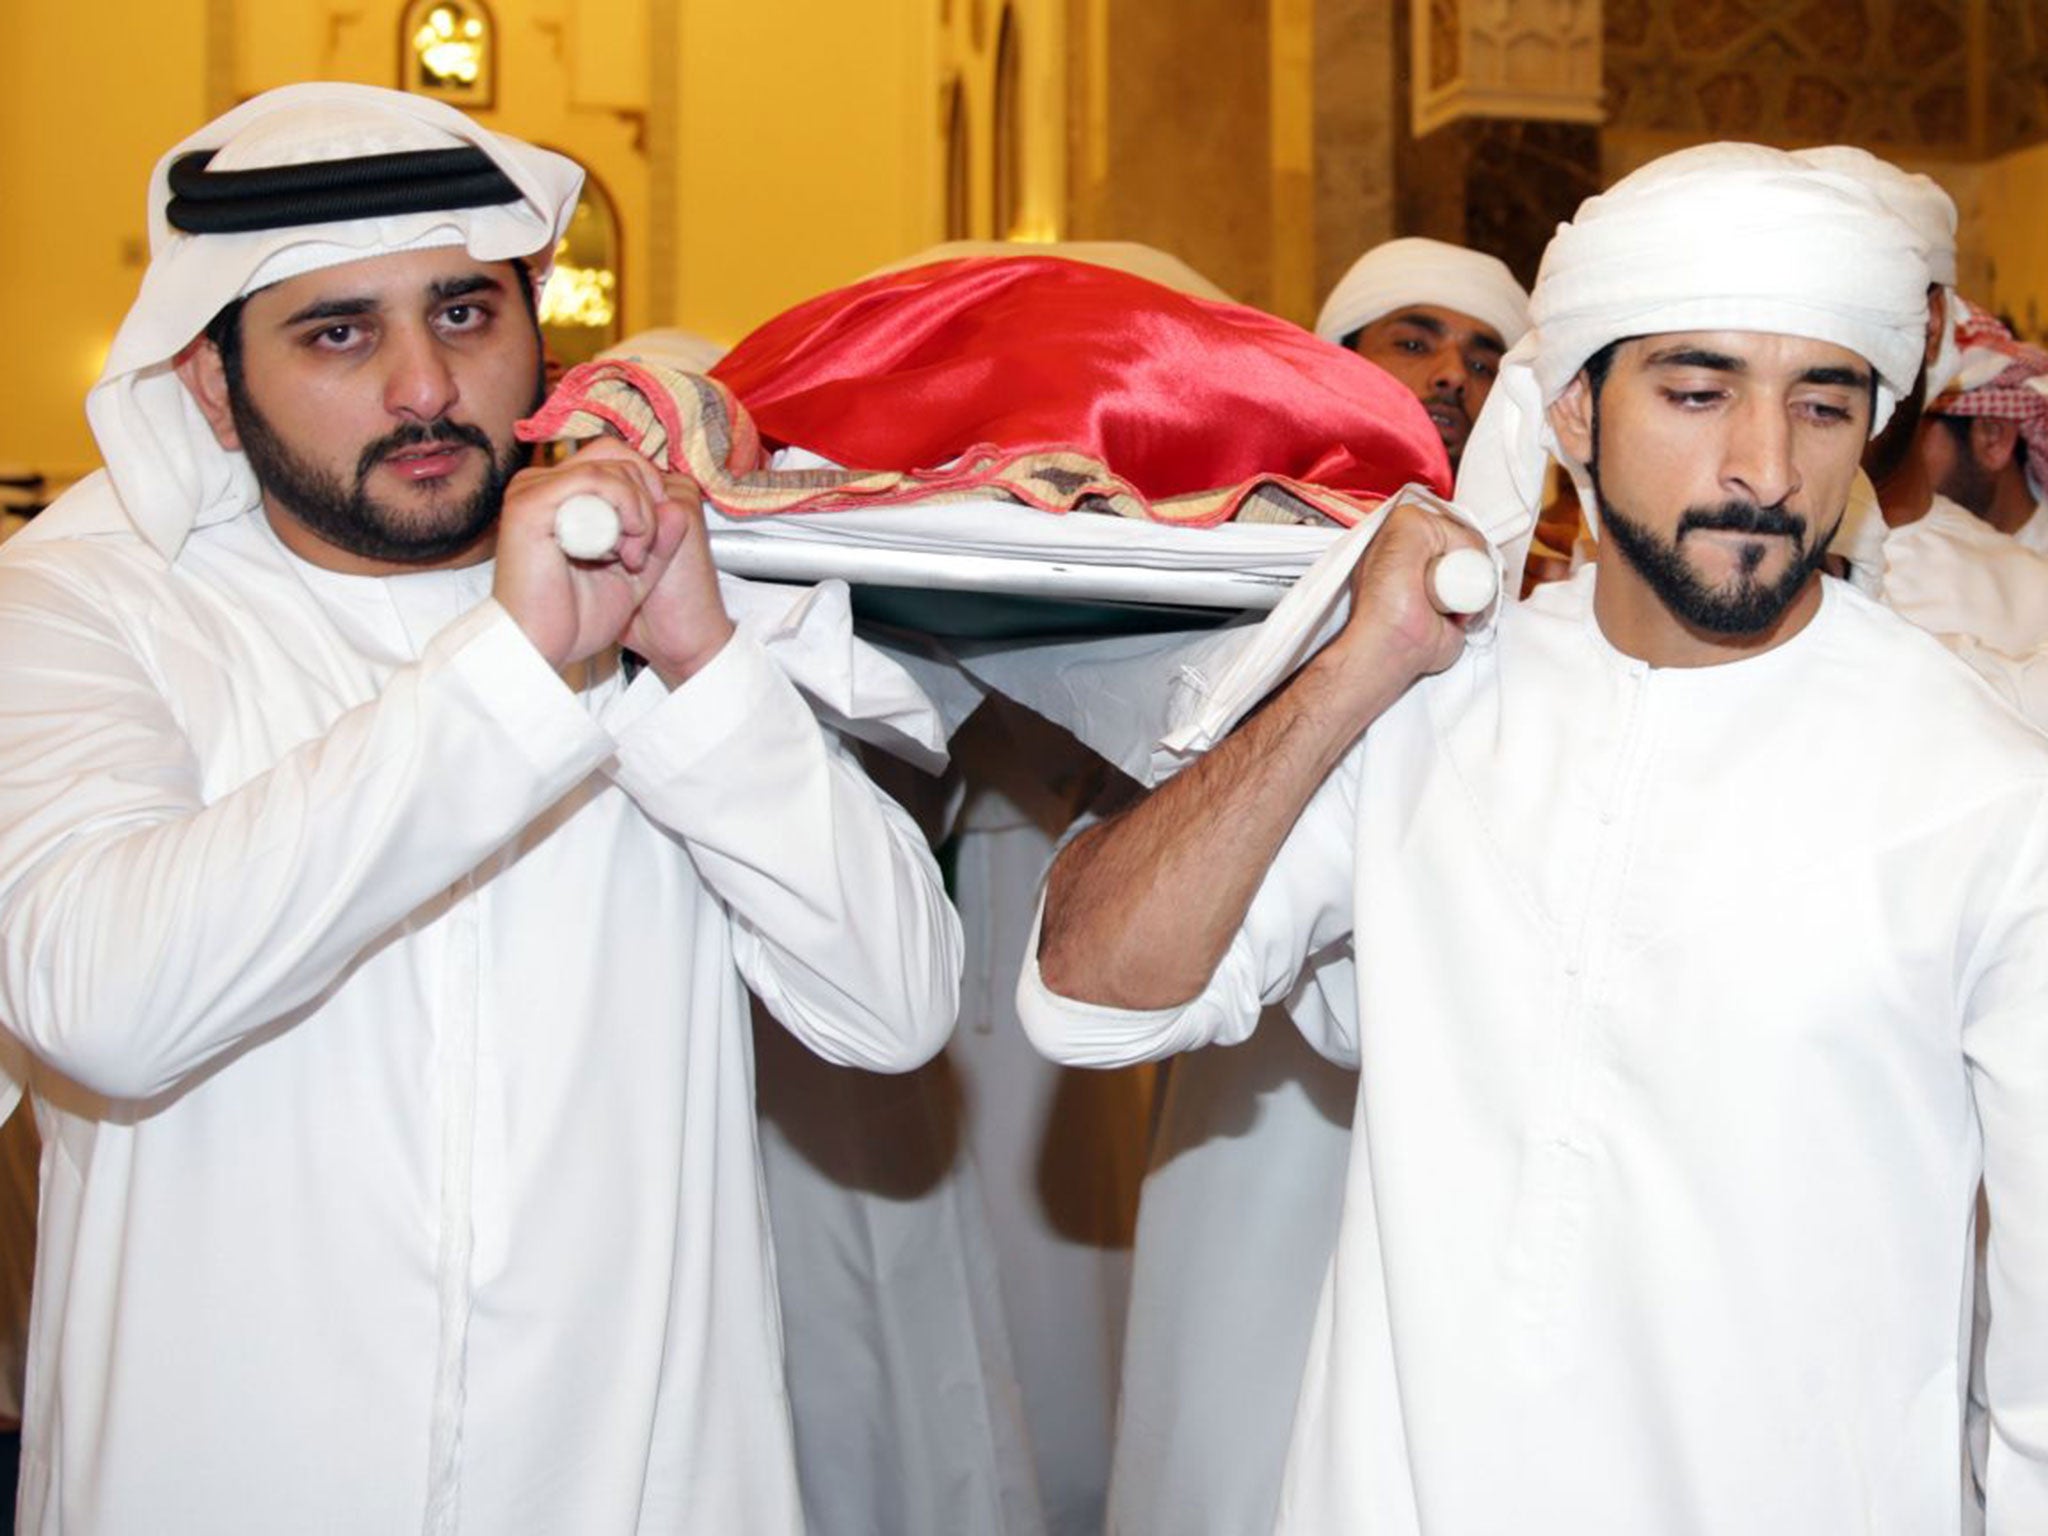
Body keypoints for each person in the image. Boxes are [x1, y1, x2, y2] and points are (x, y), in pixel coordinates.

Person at [1020, 142, 2048, 1531]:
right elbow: (1088, 997)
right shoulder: (1432, 706)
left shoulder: (1980, 791)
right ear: (1572, 411)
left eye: (1823, 402)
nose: (1763, 467)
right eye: (1697, 390)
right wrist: (1350, 673)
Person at [0, 83, 961, 1533]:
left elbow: (893, 1007)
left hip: (632, 1484)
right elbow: (104, 995)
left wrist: (700, 670)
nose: (426, 389)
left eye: (465, 314)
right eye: (340, 332)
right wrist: (513, 675)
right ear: (209, 383)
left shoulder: (661, 590)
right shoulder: (87, 610)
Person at [1108, 238, 1530, 1536]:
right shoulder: (1230, 547)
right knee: (1243, 1395)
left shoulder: (1563, 573)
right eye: (1416, 339)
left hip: (1474, 1062)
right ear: (1336, 360)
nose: (1453, 374)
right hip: (1265, 1061)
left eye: (1483, 354)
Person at [1314, 236, 1529, 468]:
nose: (1455, 374)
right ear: (1341, 364)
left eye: (1480, 366)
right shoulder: (1270, 499)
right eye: (1413, 346)